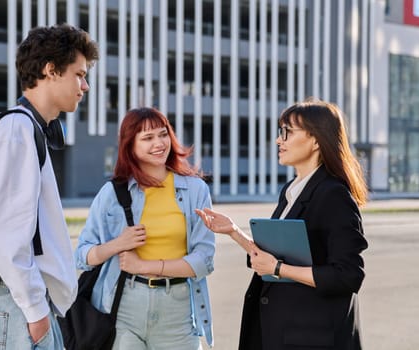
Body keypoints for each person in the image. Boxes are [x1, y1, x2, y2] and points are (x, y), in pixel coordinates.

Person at [196, 98, 369, 349]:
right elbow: (281, 253)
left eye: (287, 132)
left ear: (316, 140)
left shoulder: (333, 194)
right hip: (283, 331)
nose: (279, 140)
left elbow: (348, 275)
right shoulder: (292, 190)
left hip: (314, 337)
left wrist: (278, 269)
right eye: (281, 132)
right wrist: (233, 232)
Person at [0, 24, 99, 349]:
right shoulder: (16, 129)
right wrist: (35, 311)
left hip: (24, 307)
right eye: (79, 74)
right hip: (19, 309)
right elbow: (4, 232)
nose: (84, 86)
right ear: (50, 70)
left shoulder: (30, 129)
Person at [75, 107, 216, 349]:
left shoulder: (195, 190)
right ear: (130, 145)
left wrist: (144, 266)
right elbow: (82, 257)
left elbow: (204, 261)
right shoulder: (112, 193)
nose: (159, 143)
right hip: (125, 306)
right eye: (148, 138)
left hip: (178, 308)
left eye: (163, 134)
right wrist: (117, 245)